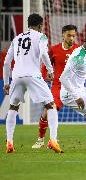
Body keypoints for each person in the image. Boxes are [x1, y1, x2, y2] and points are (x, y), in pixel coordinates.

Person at [31, 25, 86, 150]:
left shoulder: (80, 50)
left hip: (72, 87)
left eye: (74, 35)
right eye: (69, 35)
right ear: (63, 35)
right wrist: (44, 75)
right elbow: (46, 63)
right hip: (57, 86)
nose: (72, 38)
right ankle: (41, 139)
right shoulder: (55, 49)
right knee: (49, 111)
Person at [3, 13, 62, 153]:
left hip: (16, 76)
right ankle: (53, 140)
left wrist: (6, 82)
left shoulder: (16, 38)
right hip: (33, 75)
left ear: (28, 24)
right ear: (40, 25)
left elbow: (6, 62)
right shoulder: (41, 36)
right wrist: (50, 70)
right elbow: (43, 53)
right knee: (51, 105)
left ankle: (10, 142)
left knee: (13, 107)